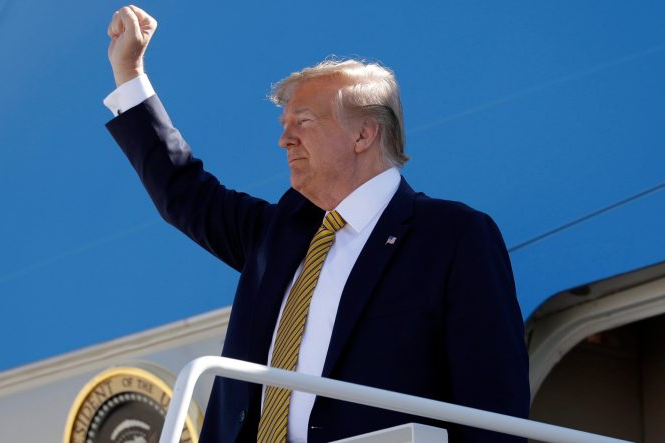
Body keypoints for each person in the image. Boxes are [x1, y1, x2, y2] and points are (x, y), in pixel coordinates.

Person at [103, 5, 530, 443]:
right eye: (284, 124)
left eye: (302, 123)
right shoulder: (277, 234)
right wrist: (129, 71)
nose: (284, 139)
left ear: (363, 135)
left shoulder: (451, 236)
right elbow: (183, 191)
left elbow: (494, 405)